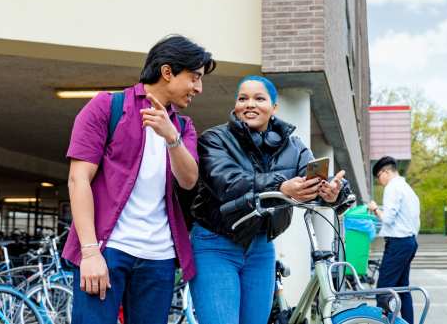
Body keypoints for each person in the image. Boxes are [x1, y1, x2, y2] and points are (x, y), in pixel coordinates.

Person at [63, 35, 216, 324]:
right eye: (194, 77)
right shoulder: (107, 107)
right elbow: (78, 180)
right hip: (107, 250)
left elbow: (188, 180)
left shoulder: (183, 127)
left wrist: (172, 139)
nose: (198, 88)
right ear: (168, 72)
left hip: (159, 257)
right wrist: (90, 253)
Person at [189, 75, 347, 324]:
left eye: (259, 98)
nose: (249, 104)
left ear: (274, 107)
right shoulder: (214, 140)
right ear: (235, 105)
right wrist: (281, 186)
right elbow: (228, 182)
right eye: (243, 98)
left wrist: (333, 190)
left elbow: (317, 175)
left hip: (261, 247)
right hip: (215, 244)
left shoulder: (294, 147)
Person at [368, 156, 420, 324]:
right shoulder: (407, 188)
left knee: (383, 289)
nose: (379, 180)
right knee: (402, 289)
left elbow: (388, 218)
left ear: (386, 172)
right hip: (409, 242)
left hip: (398, 243)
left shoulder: (392, 187)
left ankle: (383, 322)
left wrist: (376, 209)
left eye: (379, 176)